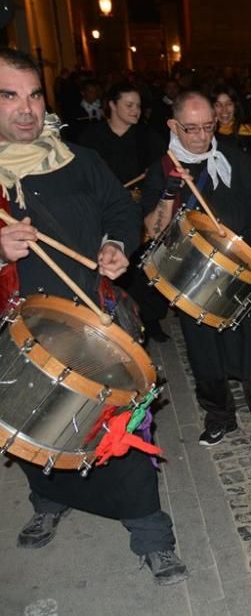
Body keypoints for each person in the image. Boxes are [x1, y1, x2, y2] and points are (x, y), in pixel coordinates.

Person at [0, 47, 187, 585]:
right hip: (19, 330)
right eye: (10, 96)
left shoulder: (79, 160)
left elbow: (120, 211)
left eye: (34, 95)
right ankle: (49, 501)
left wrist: (115, 245)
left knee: (120, 430)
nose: (26, 109)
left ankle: (151, 532)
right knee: (35, 425)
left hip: (90, 318)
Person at [140, 91, 251, 447]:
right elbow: (152, 230)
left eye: (208, 127)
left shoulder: (234, 158)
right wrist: (169, 191)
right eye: (191, 129)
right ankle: (219, 417)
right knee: (204, 351)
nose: (200, 137)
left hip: (242, 264)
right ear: (173, 125)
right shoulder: (163, 168)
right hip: (191, 272)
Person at [78, 82, 171, 342]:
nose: (136, 111)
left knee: (147, 266)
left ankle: (151, 321)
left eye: (139, 106)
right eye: (129, 105)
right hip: (107, 213)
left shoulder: (146, 135)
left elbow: (162, 165)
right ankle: (118, 319)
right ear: (112, 105)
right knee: (114, 266)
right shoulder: (92, 137)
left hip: (141, 211)